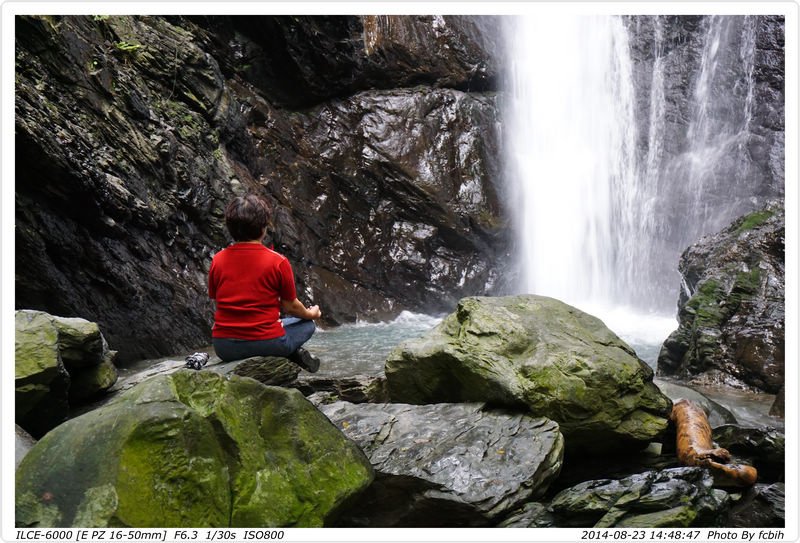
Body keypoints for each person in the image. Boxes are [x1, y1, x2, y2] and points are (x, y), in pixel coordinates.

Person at [208, 193, 321, 371]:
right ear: (263, 228)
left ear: (230, 227)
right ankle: (293, 356)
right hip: (267, 343)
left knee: (285, 324)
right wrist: (311, 314)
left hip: (224, 346)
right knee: (306, 325)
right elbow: (290, 307)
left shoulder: (218, 260)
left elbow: (217, 299)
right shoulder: (278, 262)